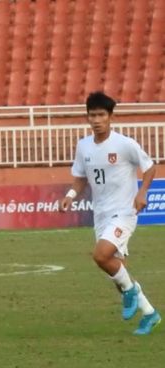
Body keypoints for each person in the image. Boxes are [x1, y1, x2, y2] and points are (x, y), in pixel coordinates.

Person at [60, 91, 159, 335]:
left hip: (124, 212)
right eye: (92, 115)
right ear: (87, 117)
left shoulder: (124, 144)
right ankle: (150, 313)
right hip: (101, 214)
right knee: (117, 271)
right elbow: (81, 178)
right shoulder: (83, 146)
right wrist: (70, 196)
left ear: (110, 116)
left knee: (101, 256)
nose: (96, 120)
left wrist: (142, 193)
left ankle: (132, 293)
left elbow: (149, 167)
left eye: (101, 115)